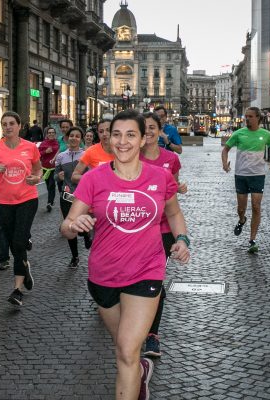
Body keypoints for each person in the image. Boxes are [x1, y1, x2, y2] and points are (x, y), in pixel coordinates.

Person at [60, 110, 190, 400]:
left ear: (143, 139)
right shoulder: (94, 179)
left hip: (147, 271)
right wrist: (73, 225)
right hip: (104, 276)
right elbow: (66, 226)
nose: (122, 141)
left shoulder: (160, 176)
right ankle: (141, 371)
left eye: (131, 134)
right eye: (116, 134)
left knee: (128, 350)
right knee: (123, 347)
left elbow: (174, 212)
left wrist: (182, 238)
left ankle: (135, 368)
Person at [139, 112, 188, 358]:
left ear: (160, 131)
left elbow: (173, 195)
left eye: (152, 127)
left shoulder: (170, 159)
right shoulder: (129, 157)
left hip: (163, 229)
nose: (147, 131)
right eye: (143, 127)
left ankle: (152, 335)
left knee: (154, 280)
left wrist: (178, 187)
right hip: (135, 230)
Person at [0, 111, 42, 307]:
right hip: (4, 203)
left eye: (11, 124)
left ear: (19, 126)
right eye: (4, 124)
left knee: (17, 243)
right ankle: (25, 268)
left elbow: (38, 169)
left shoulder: (30, 147)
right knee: (12, 242)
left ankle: (17, 290)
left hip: (27, 199)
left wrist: (36, 178)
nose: (8, 127)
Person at [221, 107, 270, 253]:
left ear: (257, 118)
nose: (247, 119)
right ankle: (242, 219)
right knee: (241, 208)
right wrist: (224, 163)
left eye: (250, 116)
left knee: (256, 206)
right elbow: (225, 149)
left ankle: (252, 240)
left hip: (258, 175)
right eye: (245, 117)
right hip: (241, 175)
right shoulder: (238, 133)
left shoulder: (266, 134)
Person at [55, 126, 91, 269]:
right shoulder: (61, 156)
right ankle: (75, 257)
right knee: (70, 227)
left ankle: (86, 233)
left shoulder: (86, 155)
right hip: (66, 196)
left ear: (81, 139)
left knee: (80, 226)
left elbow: (91, 176)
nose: (74, 138)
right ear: (67, 137)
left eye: (77, 136)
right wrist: (58, 176)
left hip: (83, 196)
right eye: (71, 136)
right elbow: (55, 176)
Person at [71, 118, 113, 184]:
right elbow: (74, 176)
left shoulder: (123, 150)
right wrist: (93, 178)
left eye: (108, 130)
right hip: (98, 192)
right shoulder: (91, 151)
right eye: (101, 131)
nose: (104, 134)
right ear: (98, 134)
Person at [38, 126, 59, 212]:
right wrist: (45, 152)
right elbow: (38, 154)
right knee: (48, 185)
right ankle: (51, 200)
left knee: (51, 184)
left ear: (55, 134)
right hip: (45, 168)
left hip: (54, 168)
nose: (51, 134)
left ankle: (49, 202)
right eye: (49, 133)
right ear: (47, 134)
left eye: (52, 133)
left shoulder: (57, 143)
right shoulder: (43, 143)